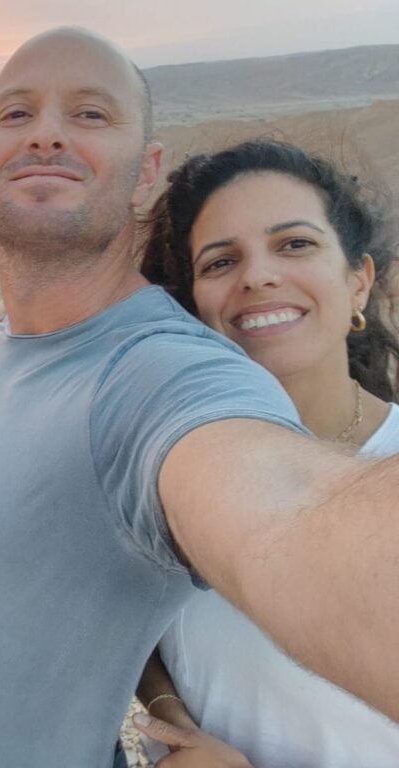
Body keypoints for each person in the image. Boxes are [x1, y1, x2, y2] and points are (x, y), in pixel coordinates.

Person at [0, 26, 399, 768]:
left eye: (91, 114)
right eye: (14, 113)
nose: (47, 135)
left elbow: (285, 511)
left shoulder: (160, 376)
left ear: (144, 169)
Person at [132, 140, 399, 767]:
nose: (258, 275)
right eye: (221, 261)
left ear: (358, 281)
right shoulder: (164, 469)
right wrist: (175, 724)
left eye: (295, 244)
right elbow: (127, 613)